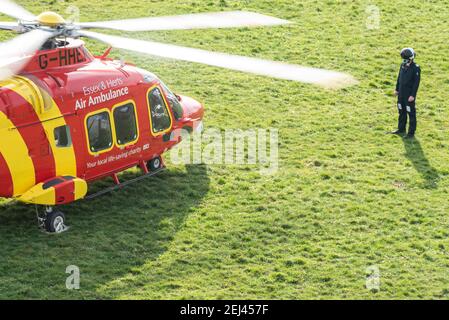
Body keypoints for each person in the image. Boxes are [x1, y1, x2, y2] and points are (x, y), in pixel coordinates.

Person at [391, 48, 421, 138]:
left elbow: (416, 83)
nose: (404, 61)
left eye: (406, 59)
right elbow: (399, 78)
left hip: (409, 95)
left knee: (410, 113)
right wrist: (397, 89)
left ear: (411, 58)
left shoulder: (416, 68)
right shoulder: (402, 65)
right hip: (401, 94)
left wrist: (413, 95)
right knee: (401, 111)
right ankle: (401, 129)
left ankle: (411, 133)